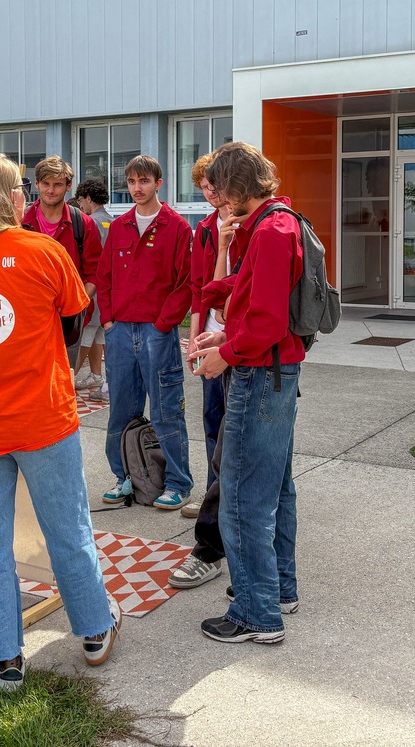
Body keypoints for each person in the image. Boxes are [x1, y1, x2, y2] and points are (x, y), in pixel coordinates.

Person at [0, 153, 121, 691]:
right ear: (5, 196)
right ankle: (93, 629)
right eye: (19, 186)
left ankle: (4, 658)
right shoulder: (43, 250)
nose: (26, 194)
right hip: (41, 418)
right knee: (69, 531)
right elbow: (75, 305)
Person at [193, 141, 304, 644]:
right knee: (274, 485)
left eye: (219, 188)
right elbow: (257, 296)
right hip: (272, 369)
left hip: (261, 375)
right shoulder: (275, 222)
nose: (215, 197)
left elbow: (267, 320)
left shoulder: (272, 228)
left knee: (241, 497)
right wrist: (222, 328)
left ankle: (256, 614)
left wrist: (226, 353)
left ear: (237, 186)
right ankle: (278, 590)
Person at [97, 155, 194, 509]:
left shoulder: (176, 227)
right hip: (120, 331)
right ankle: (124, 476)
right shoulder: (120, 226)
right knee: (121, 410)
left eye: (144, 181)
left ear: (159, 183)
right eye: (132, 182)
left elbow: (185, 283)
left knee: (168, 409)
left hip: (157, 331)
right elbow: (104, 277)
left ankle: (178, 482)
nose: (138, 188)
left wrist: (164, 323)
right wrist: (108, 320)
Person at [180, 154, 237, 520]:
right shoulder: (204, 229)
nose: (211, 193)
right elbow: (199, 286)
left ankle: (230, 498)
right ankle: (212, 493)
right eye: (205, 187)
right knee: (212, 416)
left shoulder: (243, 222)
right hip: (212, 333)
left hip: (239, 336)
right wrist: (195, 335)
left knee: (236, 422)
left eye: (215, 186)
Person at [22, 156, 103, 367]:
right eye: (46, 184)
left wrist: (76, 306)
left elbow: (96, 271)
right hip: (26, 320)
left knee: (65, 384)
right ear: (37, 184)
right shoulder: (21, 223)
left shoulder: (83, 224)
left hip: (69, 322)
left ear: (68, 186)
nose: (51, 190)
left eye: (57, 184)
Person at [74, 179, 114, 400]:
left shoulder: (89, 222)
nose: (81, 206)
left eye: (81, 201)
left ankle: (68, 379)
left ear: (88, 199)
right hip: (108, 293)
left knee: (83, 338)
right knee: (101, 338)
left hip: (93, 290)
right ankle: (101, 378)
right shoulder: (112, 221)